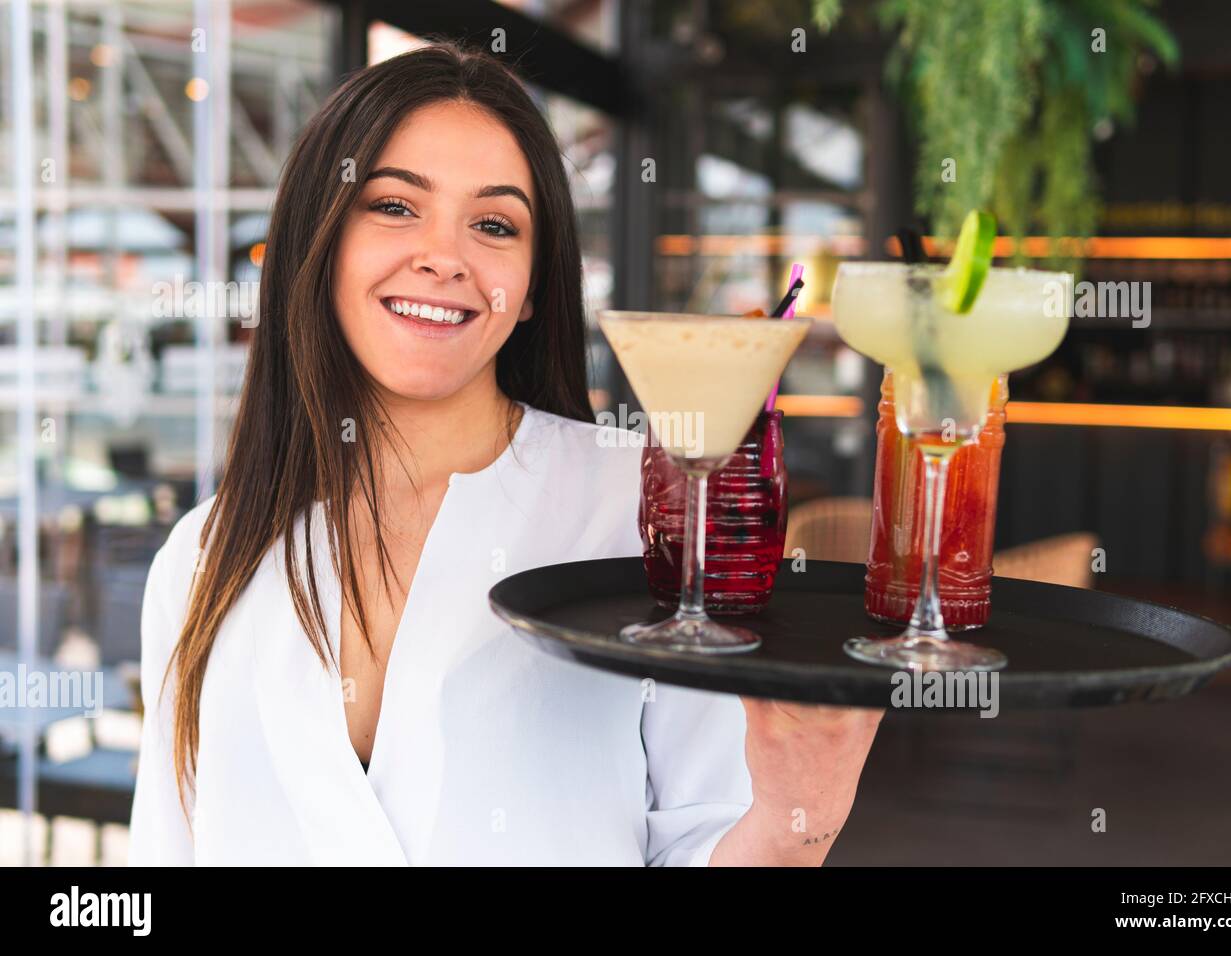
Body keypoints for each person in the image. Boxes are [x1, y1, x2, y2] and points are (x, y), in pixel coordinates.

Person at [128, 39, 882, 866]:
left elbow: (715, 843)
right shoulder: (202, 558)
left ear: (528, 291)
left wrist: (799, 813)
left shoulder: (649, 510)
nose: (444, 257)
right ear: (322, 241)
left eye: (493, 224)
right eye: (393, 205)